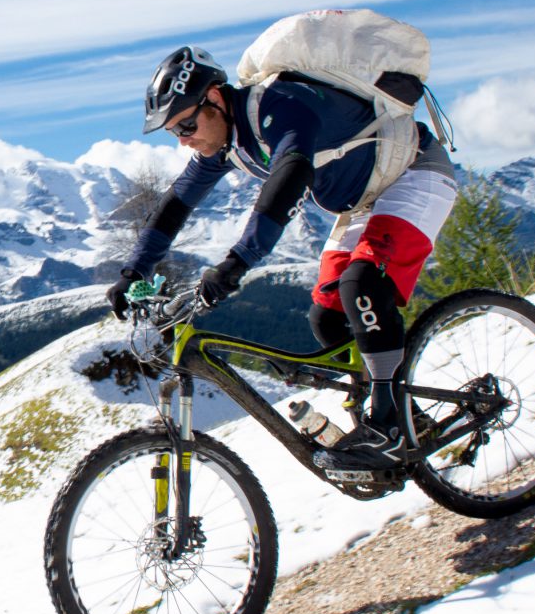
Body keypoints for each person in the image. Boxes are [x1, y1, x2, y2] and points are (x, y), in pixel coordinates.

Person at [108, 37, 457, 471]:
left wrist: (237, 262)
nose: (184, 141)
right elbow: (176, 203)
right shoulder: (225, 141)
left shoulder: (282, 105)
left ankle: (388, 427)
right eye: (175, 133)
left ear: (215, 98)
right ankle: (409, 419)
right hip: (365, 200)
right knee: (327, 316)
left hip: (414, 174)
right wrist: (133, 271)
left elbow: (289, 180)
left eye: (185, 126)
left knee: (362, 286)